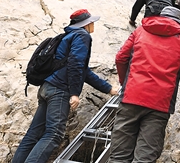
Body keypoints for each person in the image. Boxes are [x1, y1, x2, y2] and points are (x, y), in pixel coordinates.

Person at [12, 9, 118, 163]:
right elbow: (76, 64)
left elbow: (83, 71)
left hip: (47, 87)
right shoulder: (82, 35)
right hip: (60, 91)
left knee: (34, 134)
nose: (94, 24)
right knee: (54, 134)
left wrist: (108, 88)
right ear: (86, 24)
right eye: (92, 22)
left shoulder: (67, 36)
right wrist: (74, 93)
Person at [109, 6, 180, 163]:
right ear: (179, 22)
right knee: (145, 157)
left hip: (131, 98)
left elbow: (121, 58)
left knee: (118, 156)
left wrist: (125, 83)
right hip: (159, 104)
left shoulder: (140, 31)